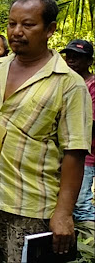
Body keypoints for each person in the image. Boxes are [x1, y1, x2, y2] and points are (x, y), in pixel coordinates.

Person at [0, 0, 92, 263]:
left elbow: (75, 152)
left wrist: (63, 213)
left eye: (28, 24)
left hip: (30, 208)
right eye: (12, 24)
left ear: (50, 30)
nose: (17, 32)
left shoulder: (69, 84)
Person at [61, 39, 95, 223]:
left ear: (89, 61)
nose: (71, 60)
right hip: (66, 154)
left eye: (78, 57)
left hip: (85, 154)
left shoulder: (91, 85)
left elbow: (89, 123)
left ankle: (89, 246)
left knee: (82, 206)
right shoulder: (67, 83)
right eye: (69, 56)